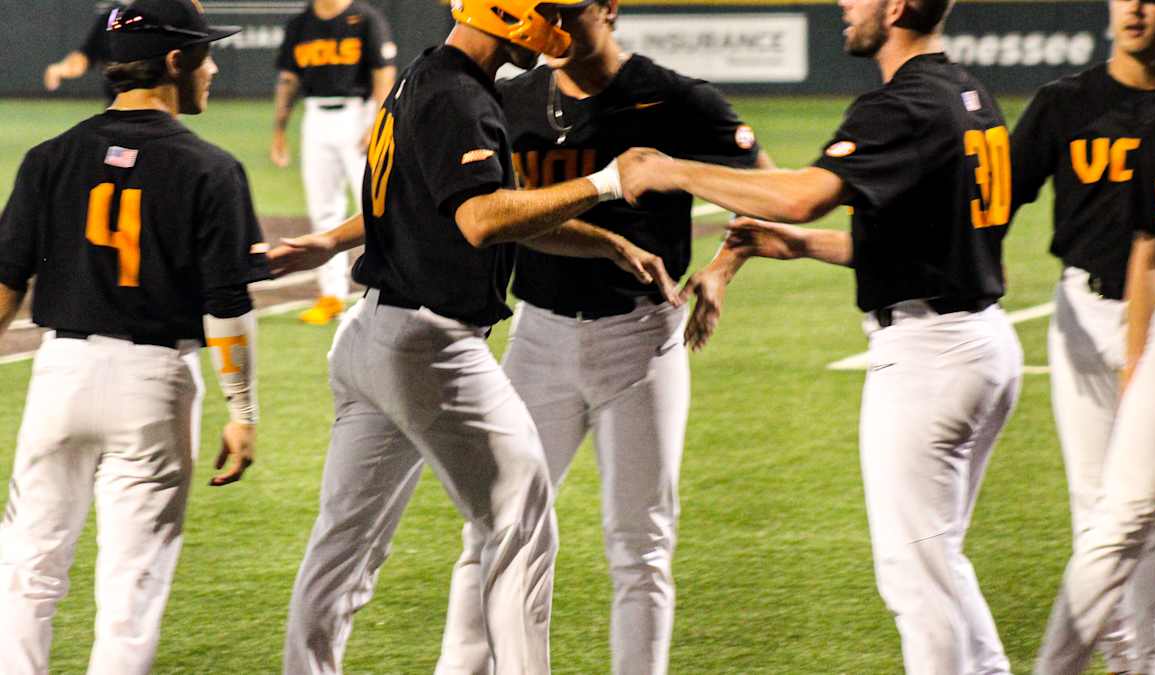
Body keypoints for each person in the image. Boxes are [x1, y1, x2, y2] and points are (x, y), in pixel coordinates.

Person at [266, 0, 680, 671]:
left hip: (371, 336)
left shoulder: (423, 77)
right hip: (430, 346)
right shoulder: (459, 96)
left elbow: (470, 207)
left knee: (344, 547)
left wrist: (607, 245)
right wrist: (605, 182)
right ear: (507, 10)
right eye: (543, 7)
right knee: (521, 521)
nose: (554, 21)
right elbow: (484, 219)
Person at [617, 0, 1023, 671]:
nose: (844, 3)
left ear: (895, 6)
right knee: (935, 557)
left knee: (914, 576)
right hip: (980, 340)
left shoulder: (903, 104)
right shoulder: (971, 94)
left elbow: (800, 192)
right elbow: (935, 246)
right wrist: (805, 247)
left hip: (929, 357)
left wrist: (673, 170)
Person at [434, 1, 769, 673]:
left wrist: (725, 266)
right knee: (494, 529)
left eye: (567, 9)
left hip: (641, 340)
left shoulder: (671, 97)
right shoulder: (513, 95)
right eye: (542, 8)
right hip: (536, 337)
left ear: (610, 8)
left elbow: (764, 186)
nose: (551, 22)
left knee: (639, 544)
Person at [0, 1, 268, 673]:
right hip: (152, 386)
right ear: (174, 61)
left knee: (28, 570)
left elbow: (5, 286)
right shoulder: (210, 168)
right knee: (130, 591)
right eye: (204, 55)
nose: (210, 68)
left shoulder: (49, 157)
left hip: (58, 374)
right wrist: (242, 408)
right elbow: (227, 306)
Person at [1009, 1, 1155, 672]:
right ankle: (1118, 660)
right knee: (1099, 507)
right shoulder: (1067, 103)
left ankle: (1150, 660)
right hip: (1087, 315)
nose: (1134, 9)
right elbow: (995, 198)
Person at [271, 0, 397, 325]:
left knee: (375, 204)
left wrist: (378, 121)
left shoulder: (365, 18)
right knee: (322, 208)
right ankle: (331, 295)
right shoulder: (300, 24)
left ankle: (391, 287)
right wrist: (280, 130)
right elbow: (288, 79)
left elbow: (383, 72)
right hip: (315, 117)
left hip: (358, 113)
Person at [43, 1, 128, 98]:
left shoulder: (147, 13)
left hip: (146, 102)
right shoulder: (113, 16)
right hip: (119, 101)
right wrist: (66, 68)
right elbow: (89, 52)